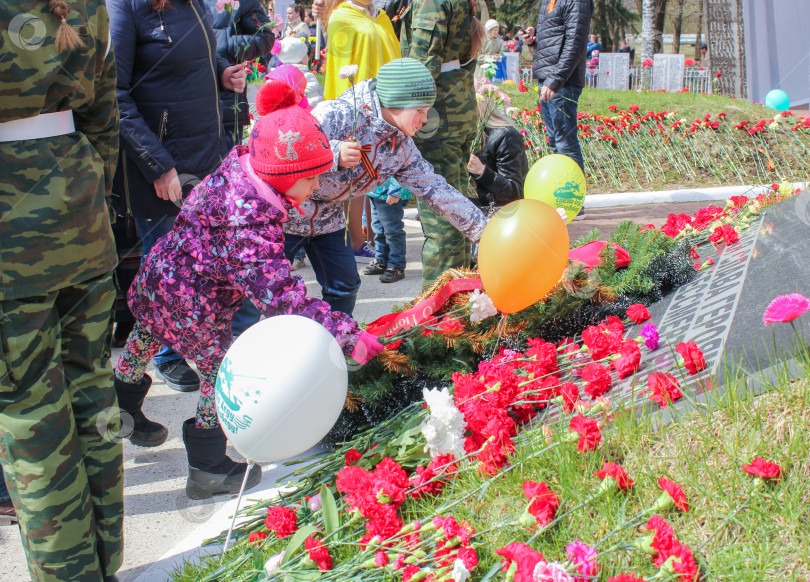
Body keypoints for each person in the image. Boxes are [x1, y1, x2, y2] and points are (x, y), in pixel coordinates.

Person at [112, 81, 385, 500]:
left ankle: (121, 407)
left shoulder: (243, 167)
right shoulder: (251, 220)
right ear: (285, 174)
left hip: (161, 278)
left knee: (147, 332)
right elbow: (282, 299)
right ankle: (208, 467)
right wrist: (349, 336)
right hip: (194, 304)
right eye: (311, 178)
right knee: (220, 375)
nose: (316, 186)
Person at [0, 2, 124, 580]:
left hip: (11, 234)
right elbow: (104, 120)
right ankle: (106, 563)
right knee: (93, 390)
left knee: (34, 415)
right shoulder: (85, 5)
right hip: (80, 214)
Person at [109, 0, 246, 392]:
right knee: (167, 275)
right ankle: (163, 357)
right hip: (164, 167)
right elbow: (115, 96)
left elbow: (197, 54)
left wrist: (222, 72)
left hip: (207, 155)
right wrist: (159, 164)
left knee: (210, 267)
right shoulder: (126, 7)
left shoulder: (194, 3)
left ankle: (212, 355)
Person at [283, 58, 489, 314]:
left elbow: (436, 189)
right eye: (420, 111)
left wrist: (483, 231)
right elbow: (290, 150)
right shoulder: (339, 114)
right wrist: (334, 153)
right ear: (397, 103)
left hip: (329, 219)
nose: (425, 119)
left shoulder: (401, 147)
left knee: (345, 286)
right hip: (288, 216)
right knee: (268, 288)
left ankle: (337, 343)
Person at [399, 0, 485, 287]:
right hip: (454, 112)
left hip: (436, 118)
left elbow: (424, 63)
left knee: (442, 219)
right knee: (457, 211)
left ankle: (438, 311)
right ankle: (460, 297)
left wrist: (403, 111)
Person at [533, 0, 592, 219]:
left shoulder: (577, 2)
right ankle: (561, 199)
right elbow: (554, 39)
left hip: (562, 82)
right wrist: (534, 40)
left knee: (565, 142)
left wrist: (556, 79)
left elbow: (574, 44)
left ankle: (575, 203)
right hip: (548, 78)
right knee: (554, 141)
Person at [207, 0, 276, 149]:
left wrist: (224, 43)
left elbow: (265, 38)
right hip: (188, 103)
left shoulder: (243, 2)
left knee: (225, 167)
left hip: (226, 103)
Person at [321, 0, 401, 100]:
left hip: (389, 93)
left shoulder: (382, 17)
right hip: (361, 98)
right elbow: (341, 68)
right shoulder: (341, 17)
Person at [468, 97, 529, 211]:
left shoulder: (505, 136)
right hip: (490, 205)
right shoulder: (473, 136)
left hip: (510, 211)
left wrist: (482, 172)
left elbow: (513, 195)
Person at [362, 179, 412, 283]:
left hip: (390, 192)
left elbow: (400, 167)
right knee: (378, 229)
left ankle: (396, 266)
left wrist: (396, 191)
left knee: (392, 231)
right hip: (375, 190)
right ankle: (381, 261)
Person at [274, 39, 324, 108]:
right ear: (301, 58)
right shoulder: (308, 76)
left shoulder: (275, 75)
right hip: (304, 113)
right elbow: (313, 100)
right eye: (306, 54)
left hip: (281, 113)